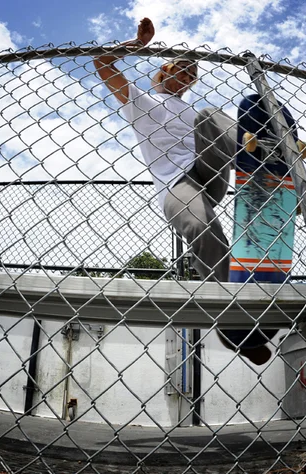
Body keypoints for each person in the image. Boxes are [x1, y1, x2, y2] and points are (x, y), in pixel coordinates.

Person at [93, 18, 275, 365]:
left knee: (208, 115)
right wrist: (136, 44)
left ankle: (268, 154)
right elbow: (101, 63)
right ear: (165, 69)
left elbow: (213, 131)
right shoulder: (140, 101)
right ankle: (234, 318)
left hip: (210, 170)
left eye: (193, 75)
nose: (189, 78)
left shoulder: (192, 108)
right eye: (184, 70)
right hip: (177, 185)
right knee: (201, 227)